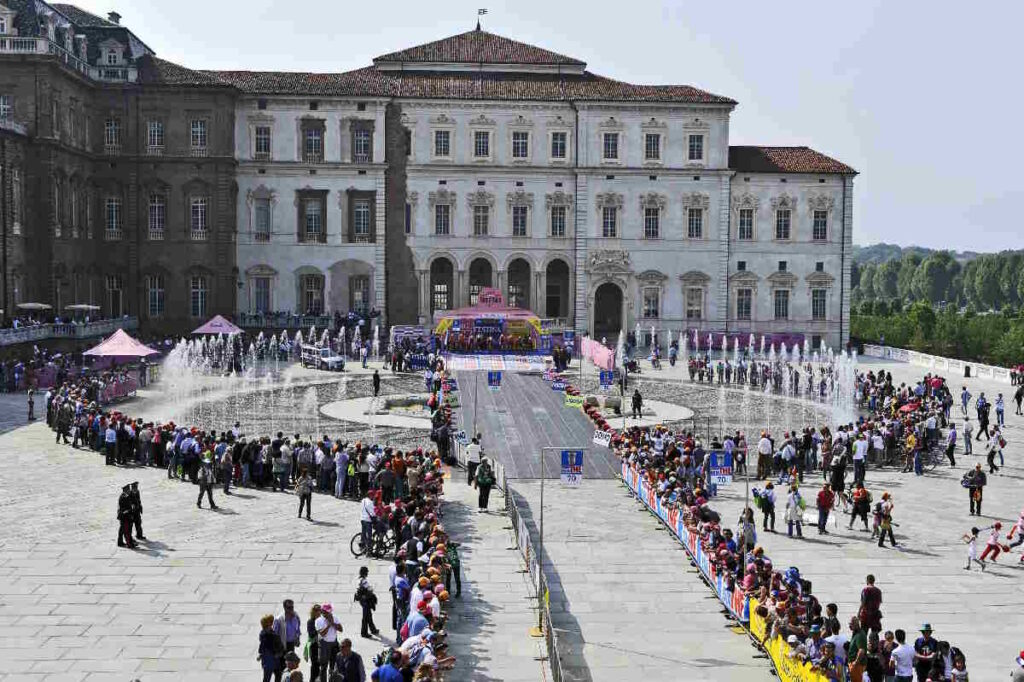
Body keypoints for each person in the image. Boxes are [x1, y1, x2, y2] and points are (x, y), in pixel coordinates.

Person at [315, 603, 342, 681]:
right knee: (324, 666)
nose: (329, 613)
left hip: (334, 644)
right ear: (323, 612)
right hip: (324, 645)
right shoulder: (318, 621)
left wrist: (333, 623)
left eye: (330, 611)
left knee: (333, 666)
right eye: (327, 612)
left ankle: (331, 679)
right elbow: (322, 634)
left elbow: (341, 629)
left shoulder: (334, 618)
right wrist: (329, 625)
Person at [355, 566, 380, 639]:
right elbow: (370, 589)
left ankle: (373, 630)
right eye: (367, 572)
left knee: (368, 615)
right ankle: (364, 633)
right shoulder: (364, 581)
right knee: (365, 617)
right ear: (365, 573)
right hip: (365, 600)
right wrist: (371, 589)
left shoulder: (358, 579)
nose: (367, 573)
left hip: (361, 600)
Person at [258, 614, 284, 682]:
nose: (266, 628)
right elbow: (262, 646)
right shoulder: (264, 635)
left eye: (267, 626)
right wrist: (260, 654)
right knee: (268, 677)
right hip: (268, 661)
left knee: (277, 675)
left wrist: (278, 654)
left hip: (272, 660)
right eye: (265, 626)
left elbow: (280, 648)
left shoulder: (272, 635)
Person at [117, 484, 136, 549]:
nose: (129, 491)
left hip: (126, 516)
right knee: (127, 531)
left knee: (123, 530)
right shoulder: (123, 497)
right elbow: (123, 508)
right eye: (128, 490)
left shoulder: (126, 496)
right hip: (124, 517)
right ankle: (129, 544)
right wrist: (128, 510)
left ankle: (121, 542)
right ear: (125, 490)